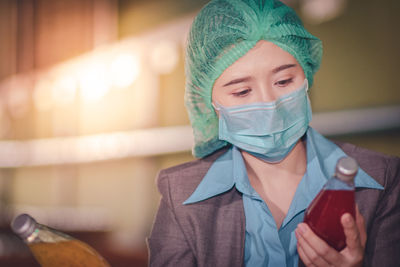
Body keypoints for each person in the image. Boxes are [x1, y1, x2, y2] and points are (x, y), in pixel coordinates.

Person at [147, 0, 400, 266]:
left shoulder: (383, 179)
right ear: (211, 105)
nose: (269, 104)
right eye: (242, 91)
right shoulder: (181, 195)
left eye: (283, 81)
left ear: (306, 78)